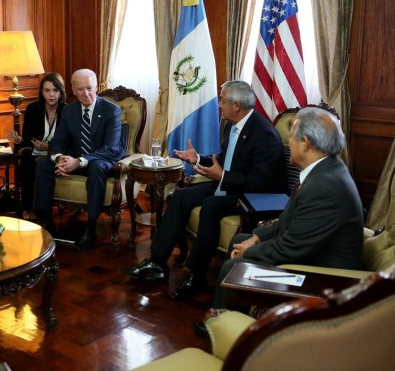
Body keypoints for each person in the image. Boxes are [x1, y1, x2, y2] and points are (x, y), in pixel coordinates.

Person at [197, 106, 364, 337]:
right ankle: (229, 318)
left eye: (292, 138)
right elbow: (289, 219)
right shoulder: (325, 170)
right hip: (312, 257)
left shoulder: (323, 187)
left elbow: (291, 248)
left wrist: (248, 253)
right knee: (241, 239)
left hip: (321, 277)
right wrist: (257, 238)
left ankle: (226, 332)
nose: (289, 144)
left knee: (234, 265)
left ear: (305, 142)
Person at [121, 80, 286, 299]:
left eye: (223, 100)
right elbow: (225, 160)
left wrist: (222, 176)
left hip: (255, 196)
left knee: (210, 206)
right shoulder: (232, 124)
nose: (219, 104)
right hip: (230, 184)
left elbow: (261, 182)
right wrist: (198, 158)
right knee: (179, 196)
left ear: (237, 105)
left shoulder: (264, 134)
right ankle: (157, 263)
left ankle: (196, 275)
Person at [32, 69, 124, 251]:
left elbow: (111, 148)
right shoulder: (69, 111)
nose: (86, 94)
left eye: (89, 88)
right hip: (74, 159)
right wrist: (59, 159)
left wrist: (79, 161)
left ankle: (90, 228)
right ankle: (47, 222)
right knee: (43, 163)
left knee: (97, 167)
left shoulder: (111, 111)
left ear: (97, 86)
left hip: (101, 159)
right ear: (73, 89)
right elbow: (58, 141)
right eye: (80, 89)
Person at [7, 72, 67, 216]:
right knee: (26, 161)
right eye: (47, 90)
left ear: (61, 92)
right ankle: (28, 208)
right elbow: (27, 138)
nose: (51, 95)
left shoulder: (68, 110)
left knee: (41, 163)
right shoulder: (33, 109)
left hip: (57, 154)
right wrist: (18, 140)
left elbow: (71, 140)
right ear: (42, 92)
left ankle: (42, 211)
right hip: (35, 151)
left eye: (55, 90)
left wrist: (49, 147)